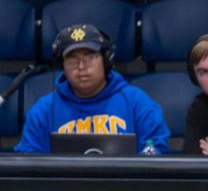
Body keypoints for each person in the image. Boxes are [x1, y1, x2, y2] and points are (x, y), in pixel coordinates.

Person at [16, 23, 169, 153]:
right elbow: (29, 159)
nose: (81, 67)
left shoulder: (138, 103)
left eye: (90, 57)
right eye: (72, 59)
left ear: (106, 60)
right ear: (62, 65)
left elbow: (156, 150)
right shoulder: (43, 110)